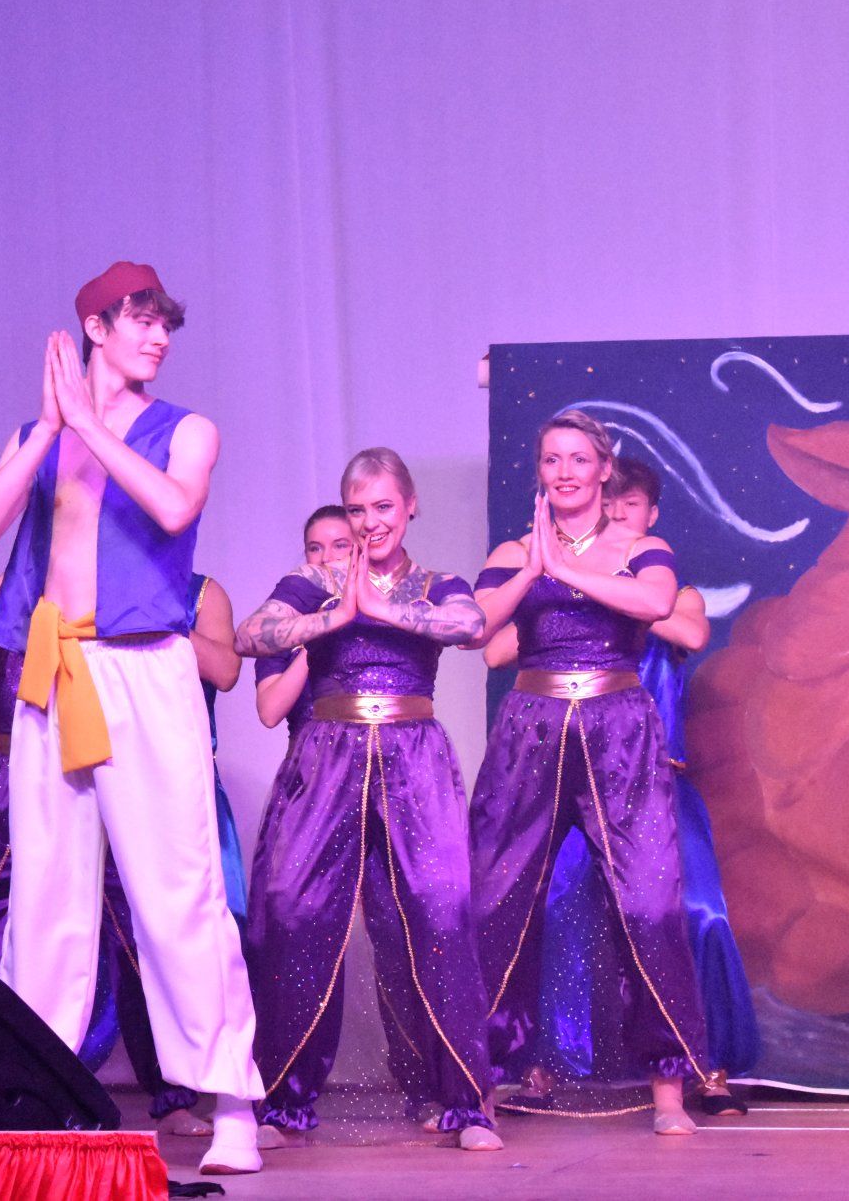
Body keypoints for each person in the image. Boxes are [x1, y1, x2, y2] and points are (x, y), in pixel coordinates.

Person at [0, 260, 262, 1175]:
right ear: (95, 328)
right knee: (46, 891)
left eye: (166, 325)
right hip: (54, 668)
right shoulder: (38, 434)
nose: (158, 338)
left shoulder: (187, 429)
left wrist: (90, 427)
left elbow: (173, 507)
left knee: (176, 890)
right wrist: (53, 430)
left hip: (143, 667)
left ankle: (231, 1102)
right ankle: (36, 1095)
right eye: (141, 321)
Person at [0, 571, 244, 1136]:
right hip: (16, 778)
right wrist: (30, 555)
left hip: (110, 770)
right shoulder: (28, 585)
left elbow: (223, 671)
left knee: (144, 933)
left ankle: (183, 1095)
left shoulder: (156, 593)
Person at [237, 449, 500, 1151]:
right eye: (357, 509)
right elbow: (248, 635)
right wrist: (333, 618)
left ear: (409, 506)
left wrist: (380, 609)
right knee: (293, 909)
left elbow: (472, 626)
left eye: (383, 506)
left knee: (439, 911)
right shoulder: (314, 582)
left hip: (414, 758)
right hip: (327, 755)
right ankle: (284, 1103)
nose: (370, 521)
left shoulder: (437, 583)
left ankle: (463, 1103)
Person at [467, 409, 711, 1135]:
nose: (565, 472)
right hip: (531, 728)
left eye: (579, 459)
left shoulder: (642, 545)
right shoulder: (515, 550)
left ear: (604, 470)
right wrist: (533, 569)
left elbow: (656, 602)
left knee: (649, 902)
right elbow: (478, 630)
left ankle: (668, 1089)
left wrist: (566, 569)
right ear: (540, 471)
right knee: (498, 901)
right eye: (552, 460)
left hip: (619, 731)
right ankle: (478, 1086)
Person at [253, 506, 354, 738]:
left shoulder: (378, 615)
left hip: (375, 753)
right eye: (315, 548)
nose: (326, 558)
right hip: (310, 756)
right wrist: (318, 635)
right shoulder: (284, 621)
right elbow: (269, 713)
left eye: (340, 545)